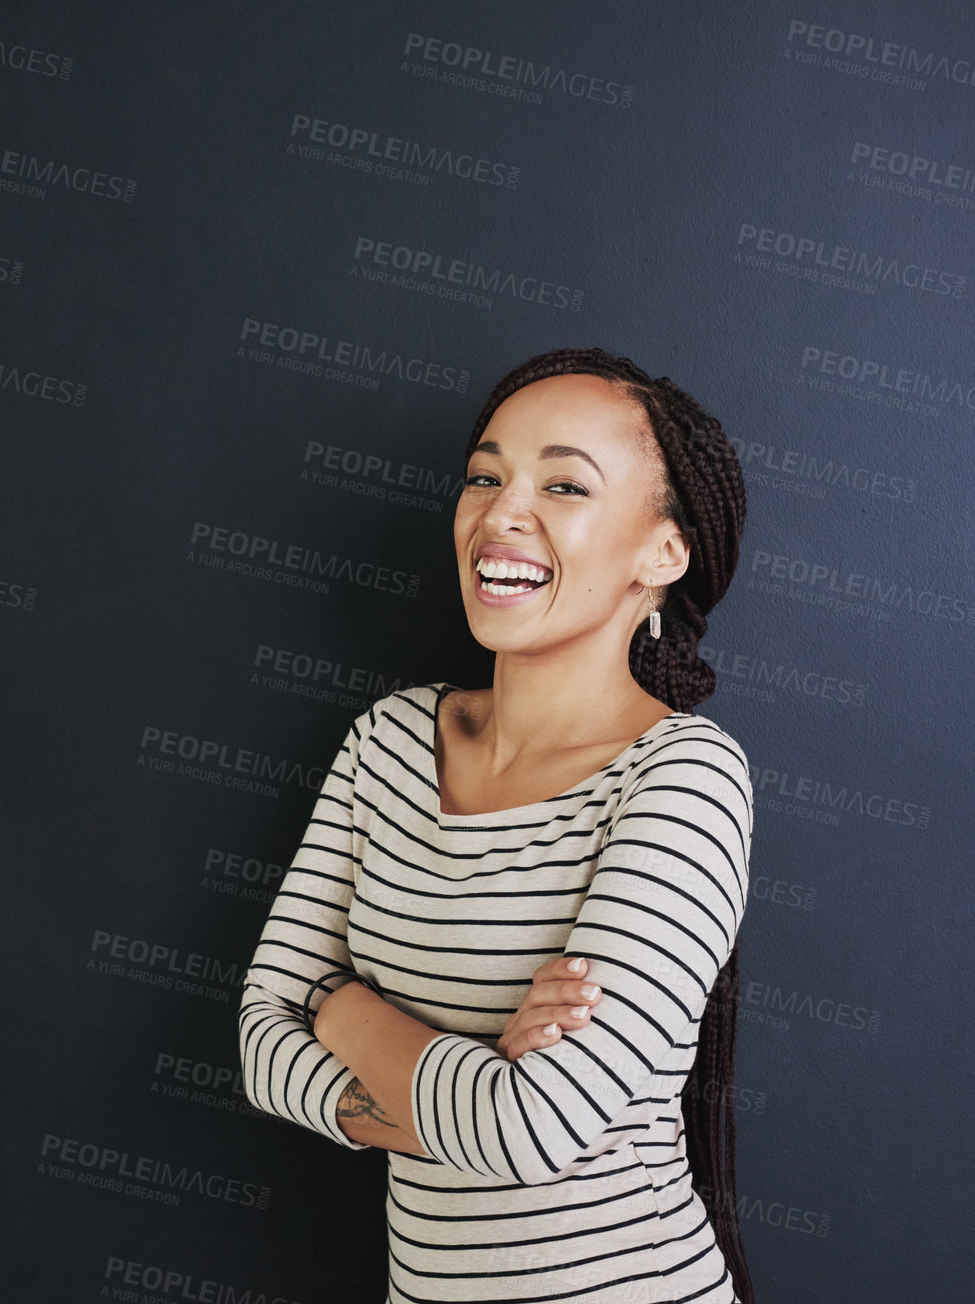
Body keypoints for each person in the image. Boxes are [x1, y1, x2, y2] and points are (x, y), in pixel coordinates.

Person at [237, 348, 755, 1303]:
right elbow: (258, 1047)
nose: (499, 514)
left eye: (563, 484)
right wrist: (473, 1090)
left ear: (662, 553)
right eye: (484, 476)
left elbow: (530, 1131)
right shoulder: (387, 739)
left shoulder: (684, 776)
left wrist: (341, 1008)